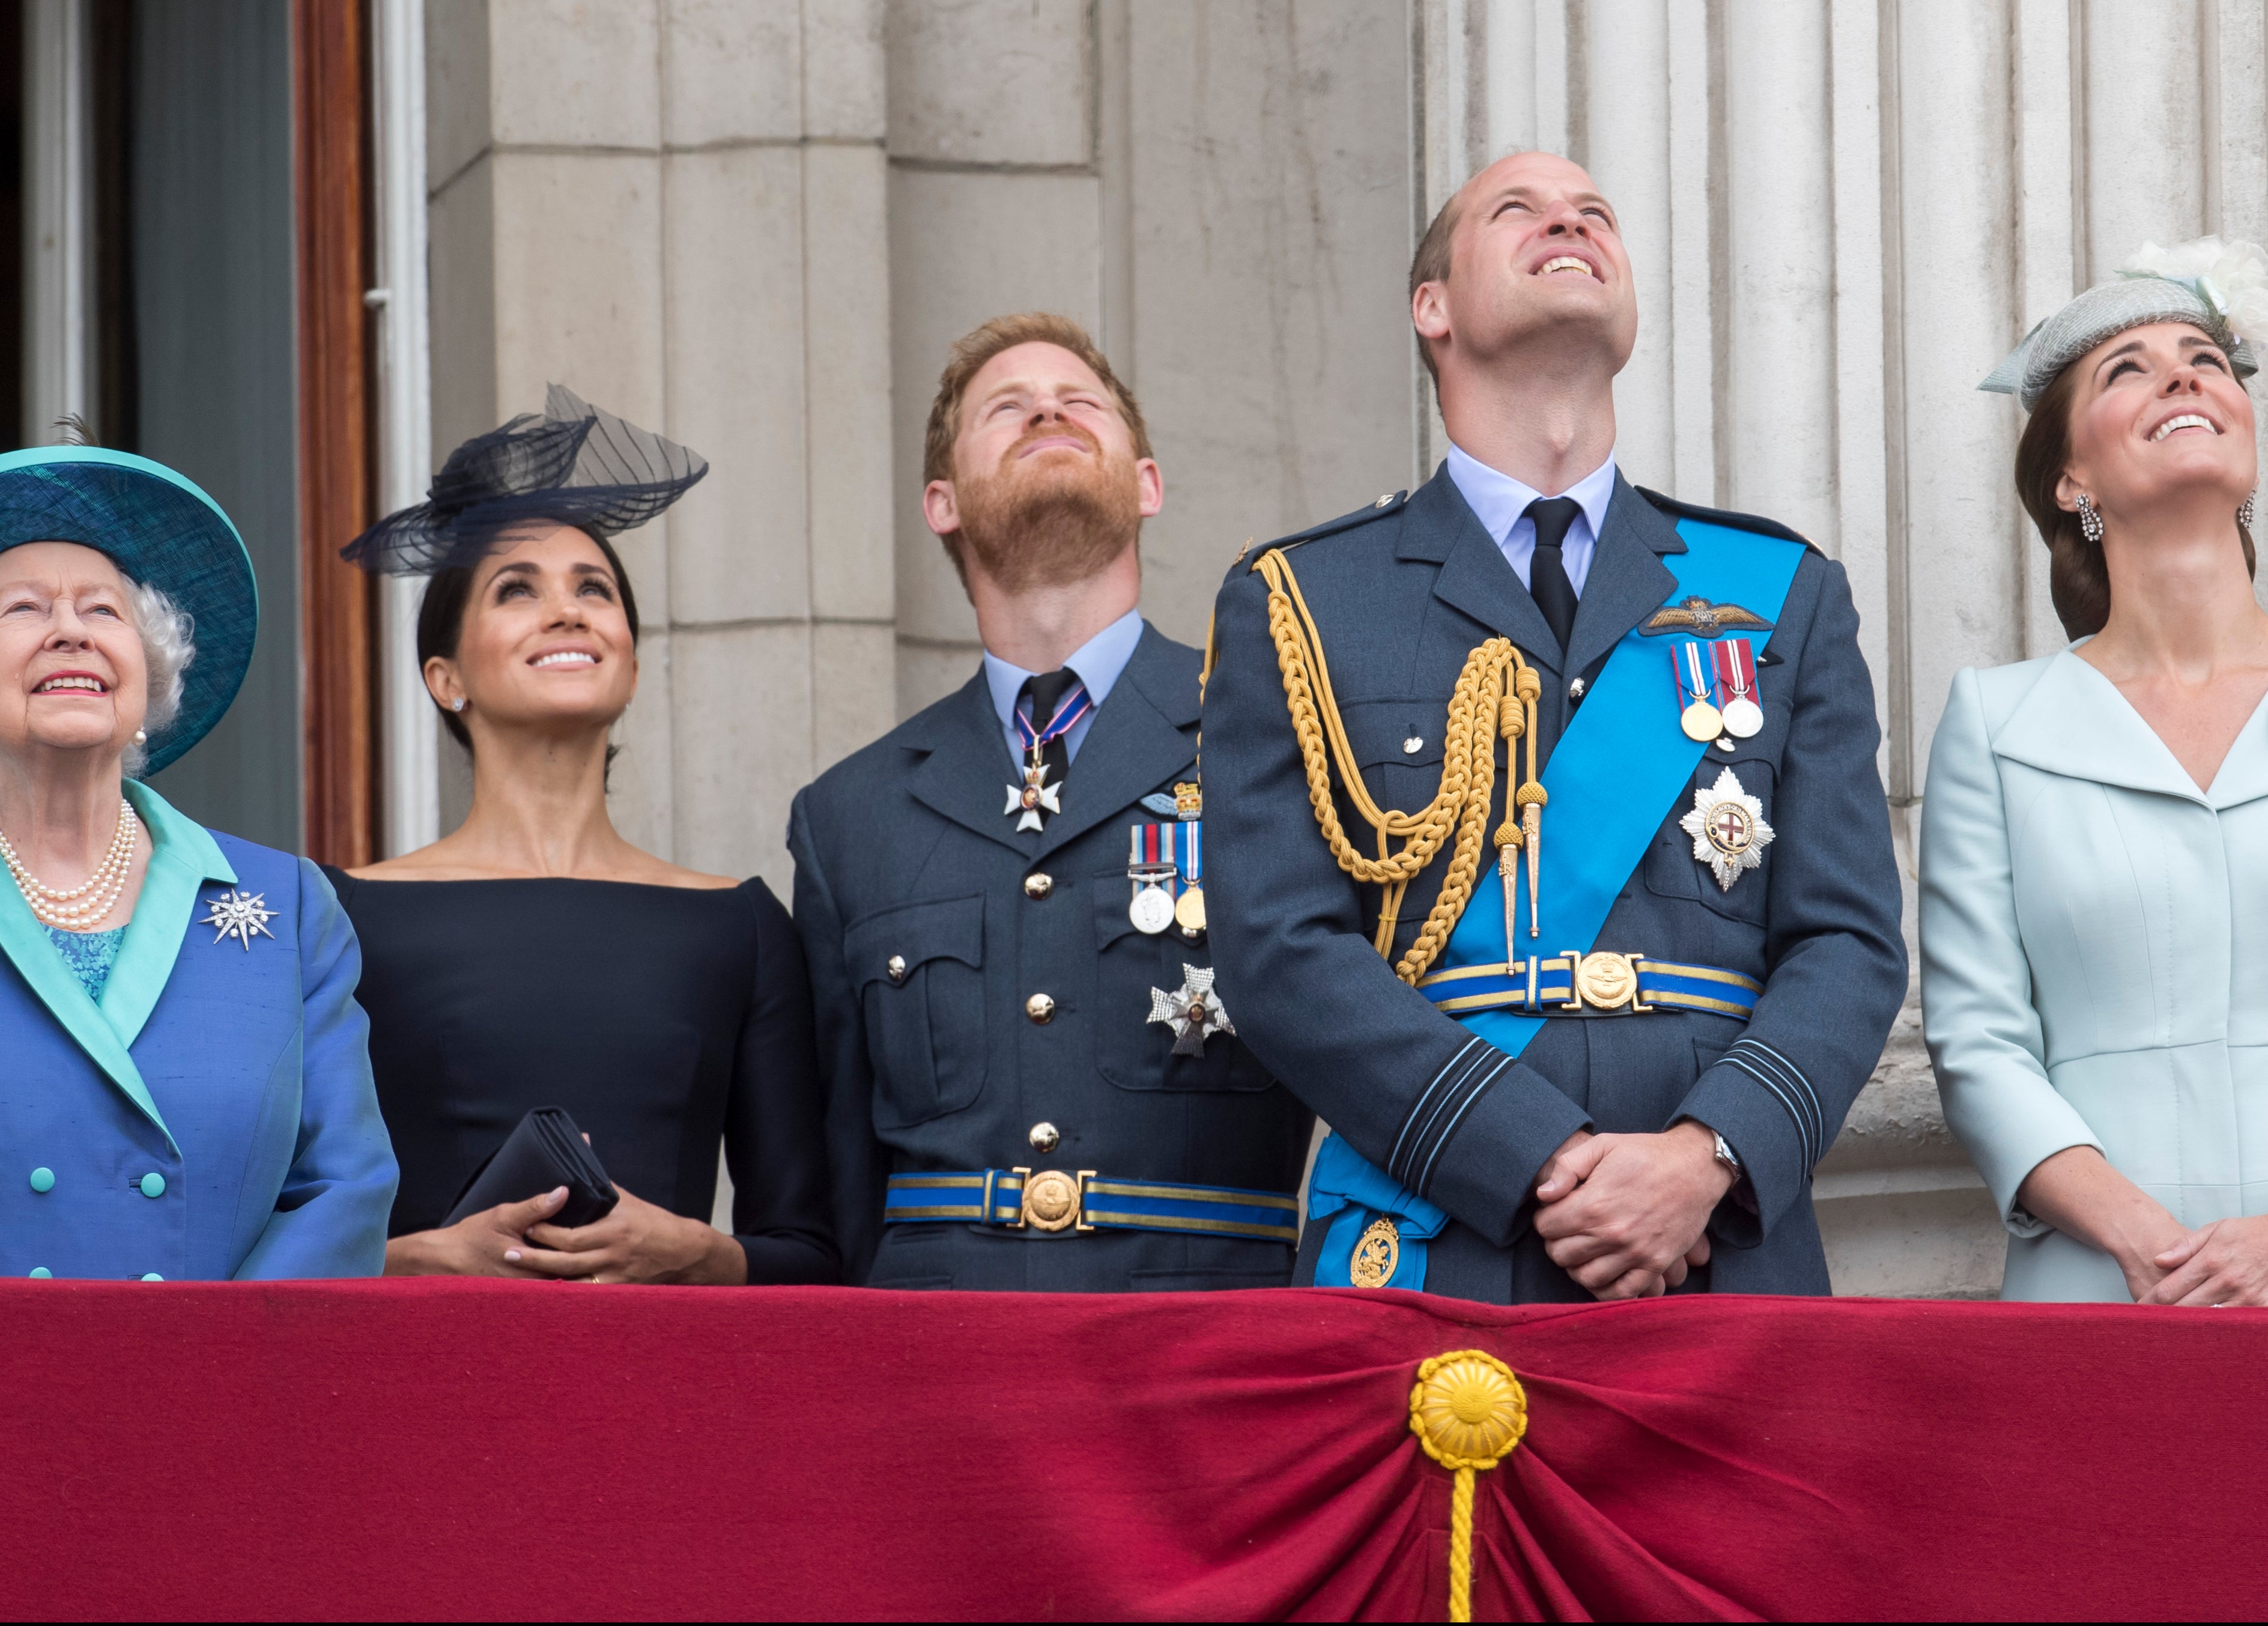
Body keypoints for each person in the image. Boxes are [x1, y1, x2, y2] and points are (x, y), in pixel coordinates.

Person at [1202, 152, 1906, 1301]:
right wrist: (1539, 1154)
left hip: (1716, 1246)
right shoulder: (1303, 599)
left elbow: (1849, 941)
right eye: (1516, 210)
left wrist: (1705, 1158)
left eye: (1595, 214)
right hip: (1444, 1231)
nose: (1566, 221)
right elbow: (1280, 952)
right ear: (1431, 307)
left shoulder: (1782, 588)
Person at [792, 313, 1315, 1290]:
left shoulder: (1277, 739)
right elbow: (839, 1187)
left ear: (1148, 485)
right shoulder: (849, 815)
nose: (1047, 409)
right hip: (944, 1365)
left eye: (1082, 403)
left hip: (1207, 1346)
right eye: (1008, 408)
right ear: (942, 503)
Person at [0, 446, 396, 1278]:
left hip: (222, 1389)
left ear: (148, 678)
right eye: (26, 609)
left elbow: (346, 1189)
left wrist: (217, 1363)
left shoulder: (288, 903)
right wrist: (14, 1361)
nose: (71, 630)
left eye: (104, 612)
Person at [335, 387, 835, 1286]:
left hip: (667, 1399)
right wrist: (416, 1262)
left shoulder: (744, 926)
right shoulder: (341, 916)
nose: (566, 612)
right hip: (418, 1393)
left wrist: (703, 1253)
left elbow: (811, 1252)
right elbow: (263, 1240)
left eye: (593, 589)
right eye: (516, 590)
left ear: (631, 663)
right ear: (445, 678)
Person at [1925, 240, 2268, 1305]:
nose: (2182, 376)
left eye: (2204, 356)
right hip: (2099, 1289)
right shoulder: (1996, 723)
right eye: (2127, 368)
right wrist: (2152, 1247)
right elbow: (1979, 1040)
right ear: (2069, 474)